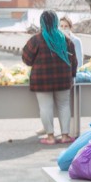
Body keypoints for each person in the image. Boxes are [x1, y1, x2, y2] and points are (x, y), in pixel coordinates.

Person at [22, 10, 78, 145]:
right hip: (63, 80)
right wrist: (72, 75)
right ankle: (65, 136)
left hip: (42, 80)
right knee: (64, 106)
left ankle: (51, 137)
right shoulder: (66, 39)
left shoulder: (35, 40)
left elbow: (27, 60)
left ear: (41, 23)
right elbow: (73, 61)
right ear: (55, 22)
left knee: (45, 107)